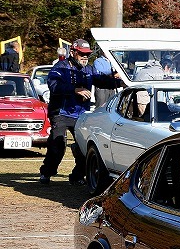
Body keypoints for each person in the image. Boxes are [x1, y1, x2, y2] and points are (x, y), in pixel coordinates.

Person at [39, 39, 122, 185]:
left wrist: (120, 82)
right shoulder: (60, 67)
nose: (85, 57)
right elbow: (54, 86)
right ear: (72, 52)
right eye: (82, 54)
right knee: (58, 143)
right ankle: (47, 172)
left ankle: (77, 176)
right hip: (61, 113)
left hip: (81, 115)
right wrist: (74, 90)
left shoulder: (89, 69)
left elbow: (102, 80)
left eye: (87, 54)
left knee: (84, 147)